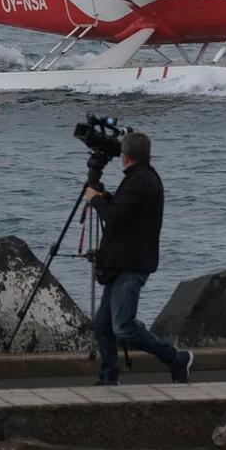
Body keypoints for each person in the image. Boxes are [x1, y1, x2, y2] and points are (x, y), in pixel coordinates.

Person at [84, 130, 193, 387]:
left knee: (122, 326)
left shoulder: (138, 181)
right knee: (103, 325)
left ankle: (176, 358)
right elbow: (126, 210)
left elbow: (113, 218)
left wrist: (96, 200)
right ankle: (109, 377)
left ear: (126, 156)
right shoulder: (143, 178)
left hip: (130, 264)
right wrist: (106, 198)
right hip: (122, 261)